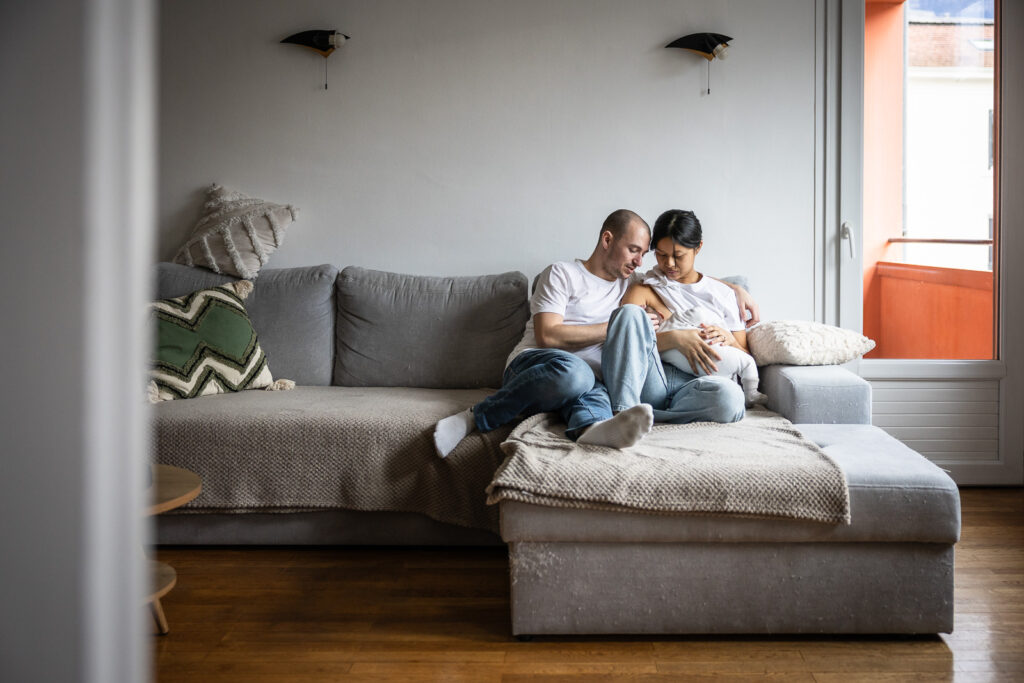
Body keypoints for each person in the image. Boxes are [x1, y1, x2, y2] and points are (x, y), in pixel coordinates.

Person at [433, 209, 758, 458]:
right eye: (634, 249)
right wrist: (615, 330)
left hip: (593, 384)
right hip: (540, 368)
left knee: (594, 397)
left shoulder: (632, 282)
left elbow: (682, 278)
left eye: (643, 254)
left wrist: (734, 289)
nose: (639, 260)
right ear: (607, 240)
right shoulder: (562, 273)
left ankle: (595, 428)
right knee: (578, 370)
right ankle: (475, 417)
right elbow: (549, 336)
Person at [602, 209, 752, 423]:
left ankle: (653, 416)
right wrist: (676, 339)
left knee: (732, 399)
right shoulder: (645, 288)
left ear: (698, 247)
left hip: (699, 386)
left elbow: (746, 357)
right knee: (628, 313)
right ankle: (624, 414)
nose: (669, 264)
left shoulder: (724, 295)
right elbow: (625, 342)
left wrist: (730, 340)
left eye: (678, 256)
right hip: (654, 379)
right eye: (661, 255)